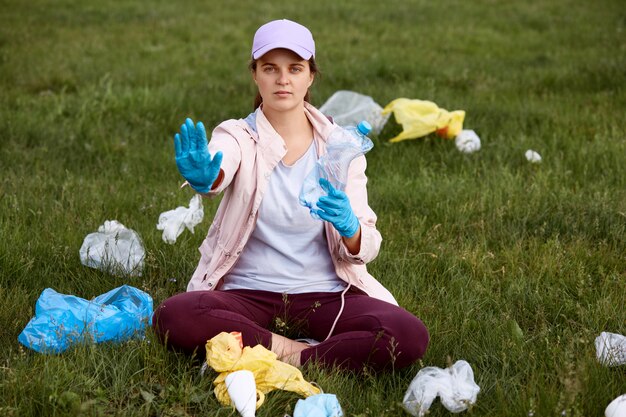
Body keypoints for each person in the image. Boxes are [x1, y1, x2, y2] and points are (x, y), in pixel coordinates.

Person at [153, 19, 429, 372]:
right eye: (270, 68)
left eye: (294, 68)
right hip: (246, 294)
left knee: (407, 334)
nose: (283, 79)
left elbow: (367, 247)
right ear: (256, 75)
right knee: (174, 315)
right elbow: (223, 161)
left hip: (326, 295)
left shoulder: (341, 148)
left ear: (310, 76)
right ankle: (299, 353)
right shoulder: (238, 134)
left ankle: (273, 351)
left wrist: (350, 227)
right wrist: (208, 175)